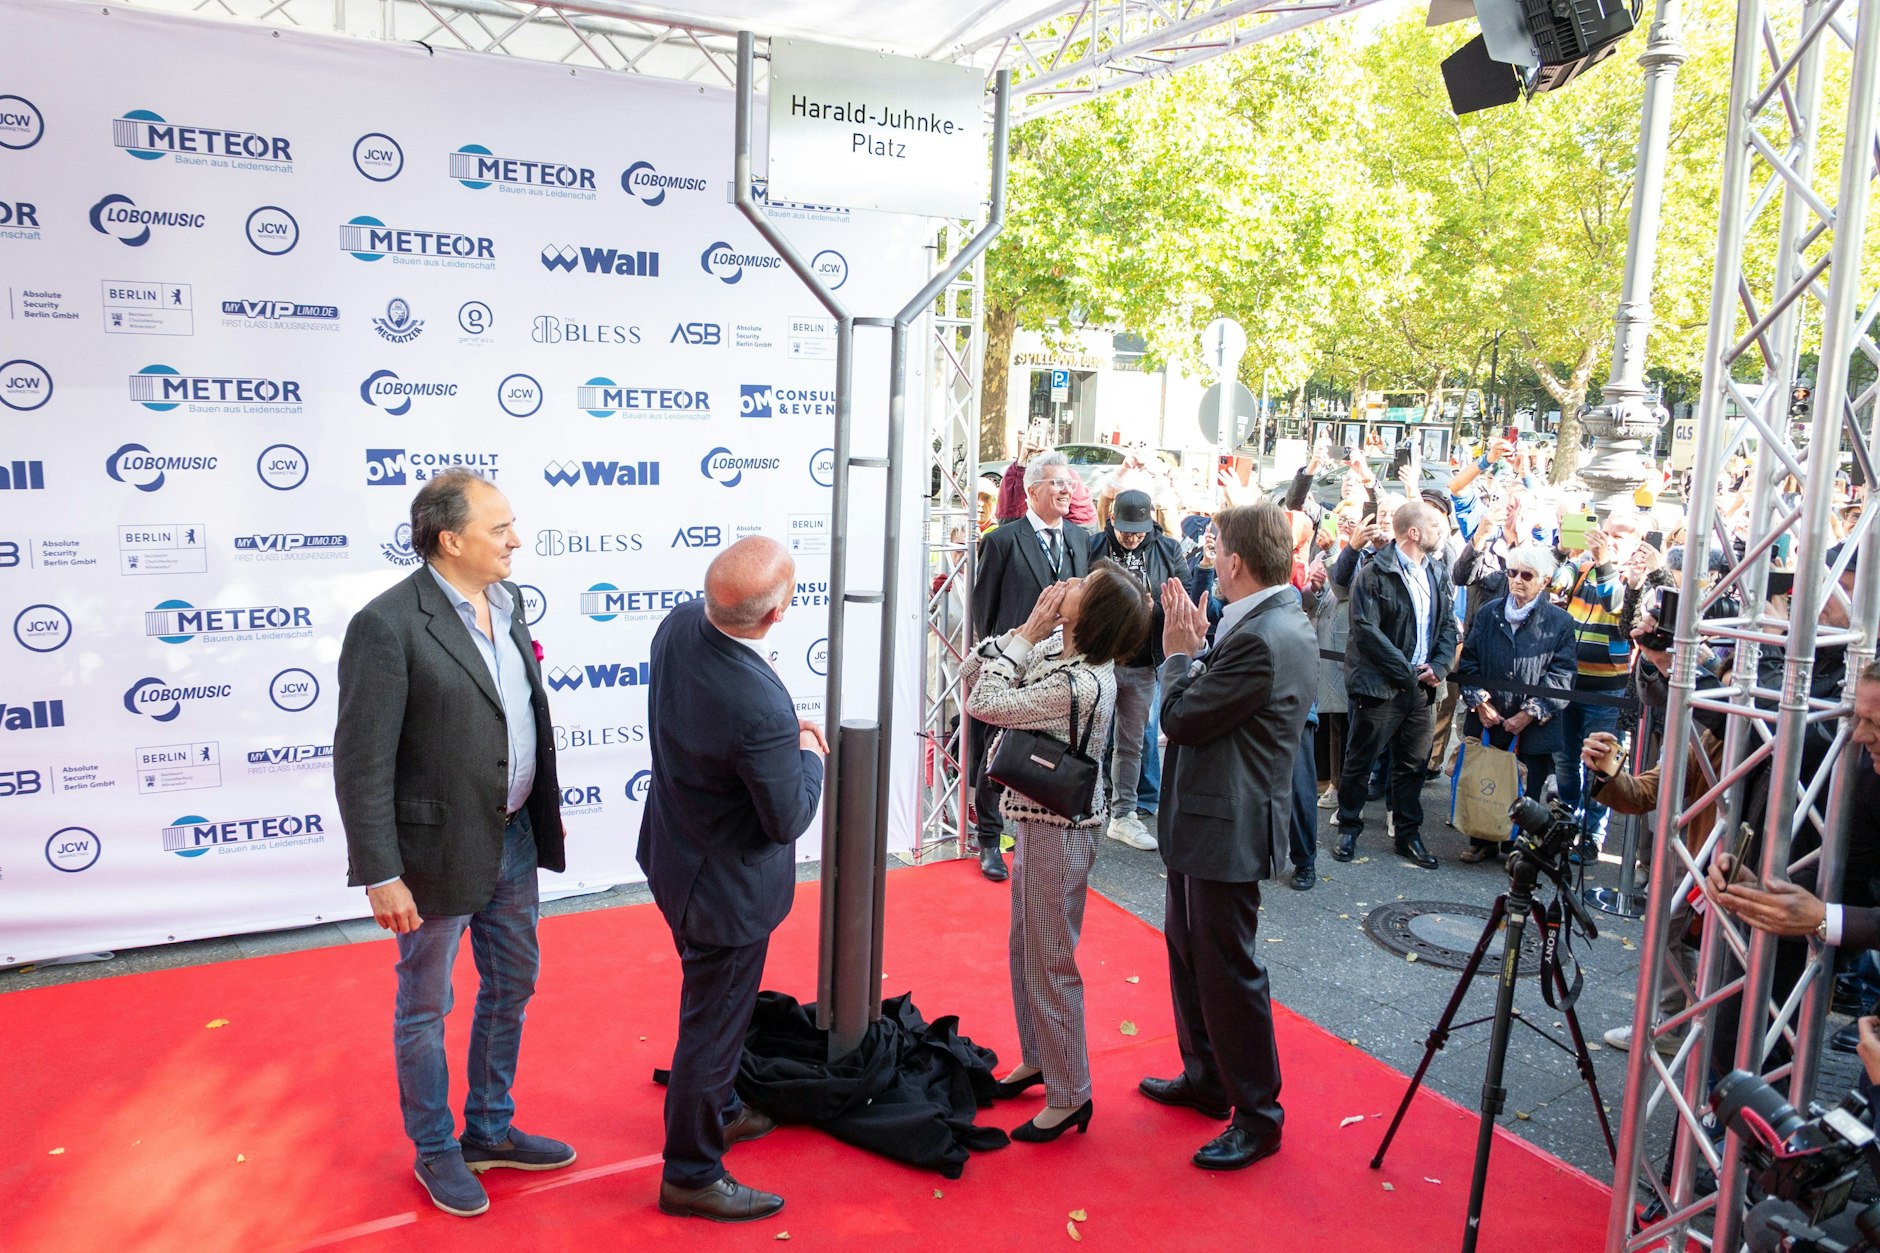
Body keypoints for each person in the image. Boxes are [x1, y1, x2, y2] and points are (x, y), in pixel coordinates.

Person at [334, 468, 572, 1218]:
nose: (516, 539)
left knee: (513, 985)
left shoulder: (512, 600)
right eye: (500, 527)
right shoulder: (388, 624)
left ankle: (490, 1129)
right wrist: (381, 871)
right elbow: (361, 758)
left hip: (515, 839)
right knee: (425, 1006)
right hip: (433, 854)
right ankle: (436, 1147)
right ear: (451, 538)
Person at [637, 536, 828, 1223]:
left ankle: (719, 1106)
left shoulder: (680, 622)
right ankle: (690, 1171)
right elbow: (787, 818)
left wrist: (780, 742)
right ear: (778, 614)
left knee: (710, 1009)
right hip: (723, 891)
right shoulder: (760, 709)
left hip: (675, 856)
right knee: (711, 1030)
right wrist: (805, 751)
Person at [1138, 503, 1317, 1171]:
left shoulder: (1265, 635)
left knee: (1228, 970)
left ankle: (1258, 1115)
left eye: (1215, 549)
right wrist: (1199, 647)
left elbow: (1183, 718)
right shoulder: (1263, 620)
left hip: (1229, 824)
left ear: (1237, 563)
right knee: (1190, 952)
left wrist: (1179, 656)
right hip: (1211, 819)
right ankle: (1208, 1079)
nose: (1209, 558)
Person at [961, 561, 1153, 1142]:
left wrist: (1022, 636)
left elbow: (983, 702)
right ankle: (1039, 1057)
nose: (1066, 585)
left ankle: (1072, 1093)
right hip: (1034, 818)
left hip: (1063, 829)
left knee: (1051, 959)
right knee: (1026, 949)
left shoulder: (1081, 682)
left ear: (1090, 615)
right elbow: (972, 668)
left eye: (1082, 587)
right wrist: (1028, 633)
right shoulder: (1057, 654)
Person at [970, 451, 1093, 880]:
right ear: (1033, 490)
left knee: (1045, 755)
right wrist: (1001, 658)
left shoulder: (1082, 539)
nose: (1066, 491)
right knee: (995, 751)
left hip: (1061, 665)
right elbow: (983, 612)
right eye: (1058, 483)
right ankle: (988, 839)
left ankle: (1035, 835)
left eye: (1069, 484)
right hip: (1014, 661)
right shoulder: (1002, 540)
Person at [1331, 500, 1458, 870]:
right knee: (1360, 760)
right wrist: (1407, 672)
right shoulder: (1373, 572)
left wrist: (1439, 666)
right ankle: (1349, 827)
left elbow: (1448, 624)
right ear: (1415, 533)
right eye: (1435, 526)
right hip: (1380, 686)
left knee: (1412, 765)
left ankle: (1408, 833)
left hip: (1422, 688)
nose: (1441, 532)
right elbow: (1366, 631)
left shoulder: (1437, 572)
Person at [1451, 544, 1578, 862]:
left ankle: (1516, 845)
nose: (1517, 580)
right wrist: (1481, 703)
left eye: (1526, 574)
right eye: (1512, 572)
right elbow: (1469, 662)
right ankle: (1481, 839)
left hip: (1531, 727)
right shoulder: (1489, 611)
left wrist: (1528, 714)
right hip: (1488, 720)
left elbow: (1561, 676)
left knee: (1527, 789)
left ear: (1544, 581)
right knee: (1484, 781)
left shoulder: (1559, 622)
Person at [1089, 488, 1185, 852]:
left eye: (1139, 530)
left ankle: (1123, 814)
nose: (1133, 537)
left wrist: (1155, 607)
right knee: (1090, 740)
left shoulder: (1168, 549)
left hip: (1144, 661)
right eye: (1126, 529)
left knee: (1131, 744)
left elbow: (1183, 598)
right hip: (1101, 659)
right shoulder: (1093, 546)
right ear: (1112, 520)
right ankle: (1088, 805)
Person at [1551, 509, 1646, 849]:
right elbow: (1552, 585)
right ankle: (1566, 820)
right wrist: (1566, 551)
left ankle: (1592, 833)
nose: (1608, 541)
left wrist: (1606, 564)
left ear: (1637, 543)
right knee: (1564, 757)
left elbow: (1620, 609)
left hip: (1608, 689)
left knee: (1601, 762)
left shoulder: (1638, 578)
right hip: (1569, 682)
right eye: (1606, 533)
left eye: (1618, 536)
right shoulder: (1583, 567)